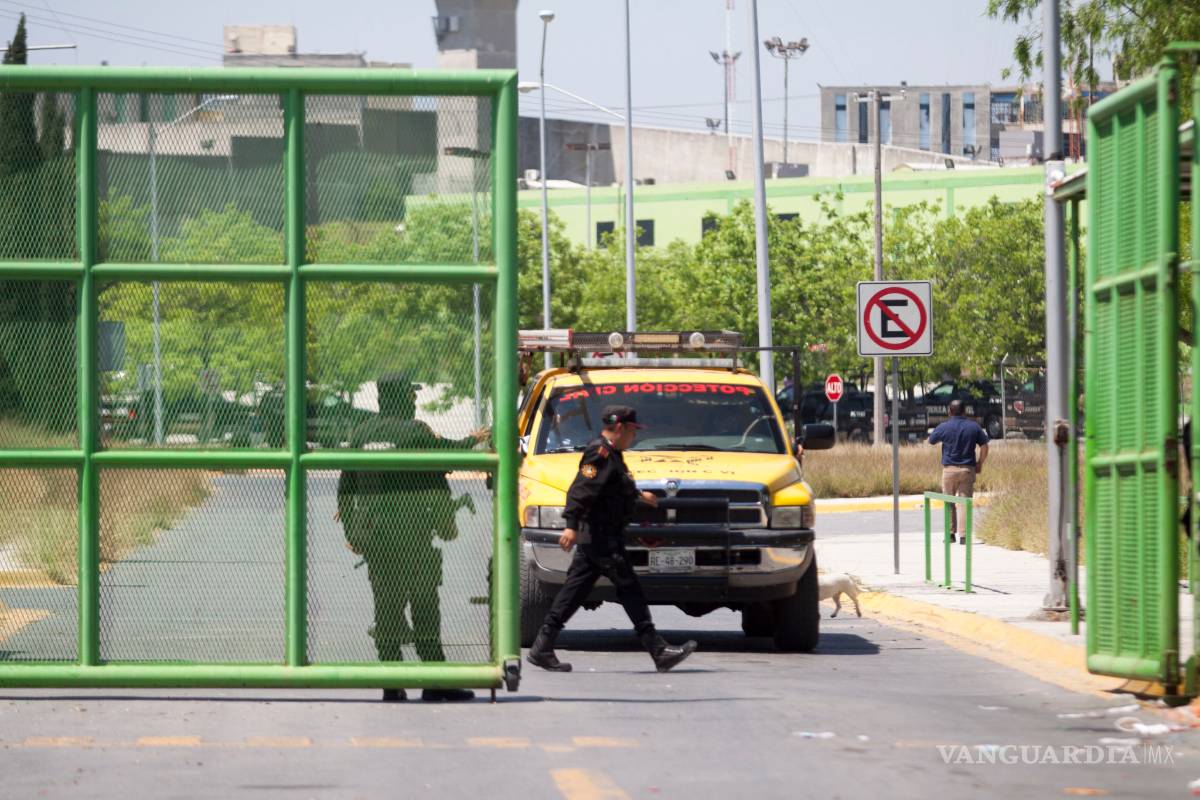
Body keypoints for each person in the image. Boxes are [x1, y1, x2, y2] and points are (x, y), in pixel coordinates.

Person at [336, 373, 488, 703]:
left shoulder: (362, 433)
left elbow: (345, 486)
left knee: (386, 608)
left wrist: (351, 531)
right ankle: (435, 681)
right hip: (416, 537)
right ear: (401, 398)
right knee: (424, 606)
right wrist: (472, 440)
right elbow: (447, 453)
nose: (415, 400)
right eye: (411, 395)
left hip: (376, 539)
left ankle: (392, 681)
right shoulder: (416, 432)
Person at [526, 405, 698, 673]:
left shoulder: (613, 454)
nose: (634, 436)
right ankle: (658, 649)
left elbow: (614, 486)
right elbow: (580, 490)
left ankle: (542, 647)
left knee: (574, 592)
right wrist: (571, 526)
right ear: (620, 427)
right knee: (629, 588)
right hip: (601, 536)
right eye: (632, 430)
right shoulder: (600, 453)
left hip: (604, 535)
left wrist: (641, 496)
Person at [927, 398, 989, 544]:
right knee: (964, 502)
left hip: (948, 470)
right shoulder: (973, 427)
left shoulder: (944, 426)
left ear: (949, 411)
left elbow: (931, 440)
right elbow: (985, 446)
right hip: (967, 469)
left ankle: (950, 535)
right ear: (965, 411)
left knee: (949, 502)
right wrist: (980, 463)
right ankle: (964, 536)